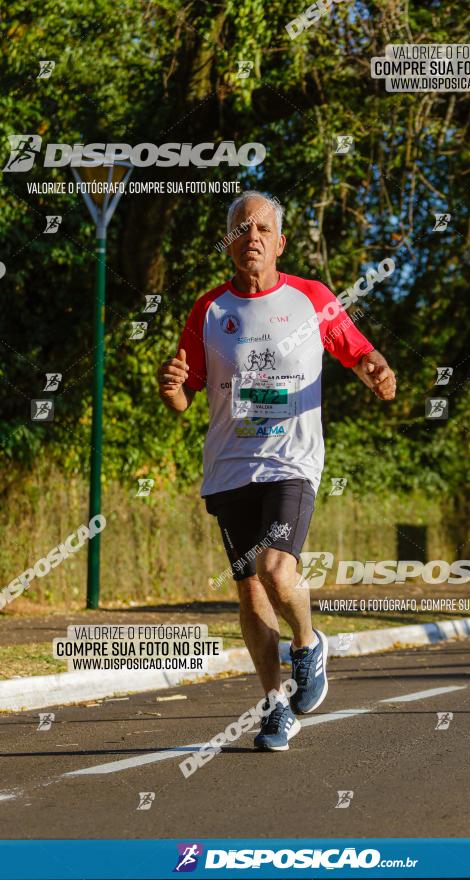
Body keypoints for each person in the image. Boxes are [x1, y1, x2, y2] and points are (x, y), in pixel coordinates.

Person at [157, 191, 396, 751]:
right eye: (241, 229)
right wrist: (170, 389)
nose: (252, 238)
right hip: (230, 467)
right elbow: (183, 397)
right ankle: (274, 707)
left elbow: (358, 353)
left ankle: (308, 646)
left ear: (280, 242)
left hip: (292, 461)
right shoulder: (210, 310)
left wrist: (378, 372)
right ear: (229, 242)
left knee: (276, 570)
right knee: (249, 591)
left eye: (263, 229)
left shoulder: (311, 299)